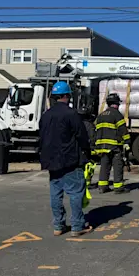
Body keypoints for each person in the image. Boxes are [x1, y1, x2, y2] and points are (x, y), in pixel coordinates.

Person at [39, 81, 93, 237]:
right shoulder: (71, 114)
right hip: (69, 159)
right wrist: (87, 153)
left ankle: (58, 226)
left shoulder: (46, 115)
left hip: (51, 161)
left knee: (56, 193)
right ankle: (77, 226)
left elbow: (41, 137)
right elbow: (82, 136)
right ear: (66, 96)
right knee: (76, 192)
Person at [94, 93, 131, 193]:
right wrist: (127, 142)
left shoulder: (100, 115)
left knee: (104, 166)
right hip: (114, 146)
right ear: (116, 104)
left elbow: (95, 130)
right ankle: (118, 187)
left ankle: (102, 186)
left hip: (102, 146)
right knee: (118, 165)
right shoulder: (117, 114)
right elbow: (122, 129)